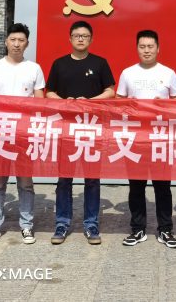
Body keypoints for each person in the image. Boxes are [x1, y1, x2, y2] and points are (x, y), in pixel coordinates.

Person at [46, 20, 115, 245]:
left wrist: (90, 102)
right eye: (77, 35)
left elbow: (110, 91)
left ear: (91, 39)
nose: (80, 39)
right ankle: (62, 223)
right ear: (70, 38)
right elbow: (49, 92)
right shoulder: (59, 64)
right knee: (64, 179)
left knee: (92, 179)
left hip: (92, 129)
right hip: (66, 130)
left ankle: (91, 224)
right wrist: (64, 101)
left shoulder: (100, 63)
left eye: (85, 36)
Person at [0, 23, 45, 246]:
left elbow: (40, 101)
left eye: (21, 40)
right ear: (6, 41)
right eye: (13, 40)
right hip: (0, 131)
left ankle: (26, 225)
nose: (17, 44)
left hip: (24, 132)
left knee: (25, 182)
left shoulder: (34, 68)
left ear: (27, 43)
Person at [117, 30, 176, 249]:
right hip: (135, 139)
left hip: (160, 138)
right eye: (142, 47)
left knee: (163, 187)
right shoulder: (128, 73)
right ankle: (138, 229)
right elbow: (118, 101)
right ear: (137, 48)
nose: (146, 51)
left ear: (158, 48)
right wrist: (129, 104)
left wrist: (165, 105)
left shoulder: (168, 73)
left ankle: (166, 229)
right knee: (136, 186)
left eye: (150, 46)